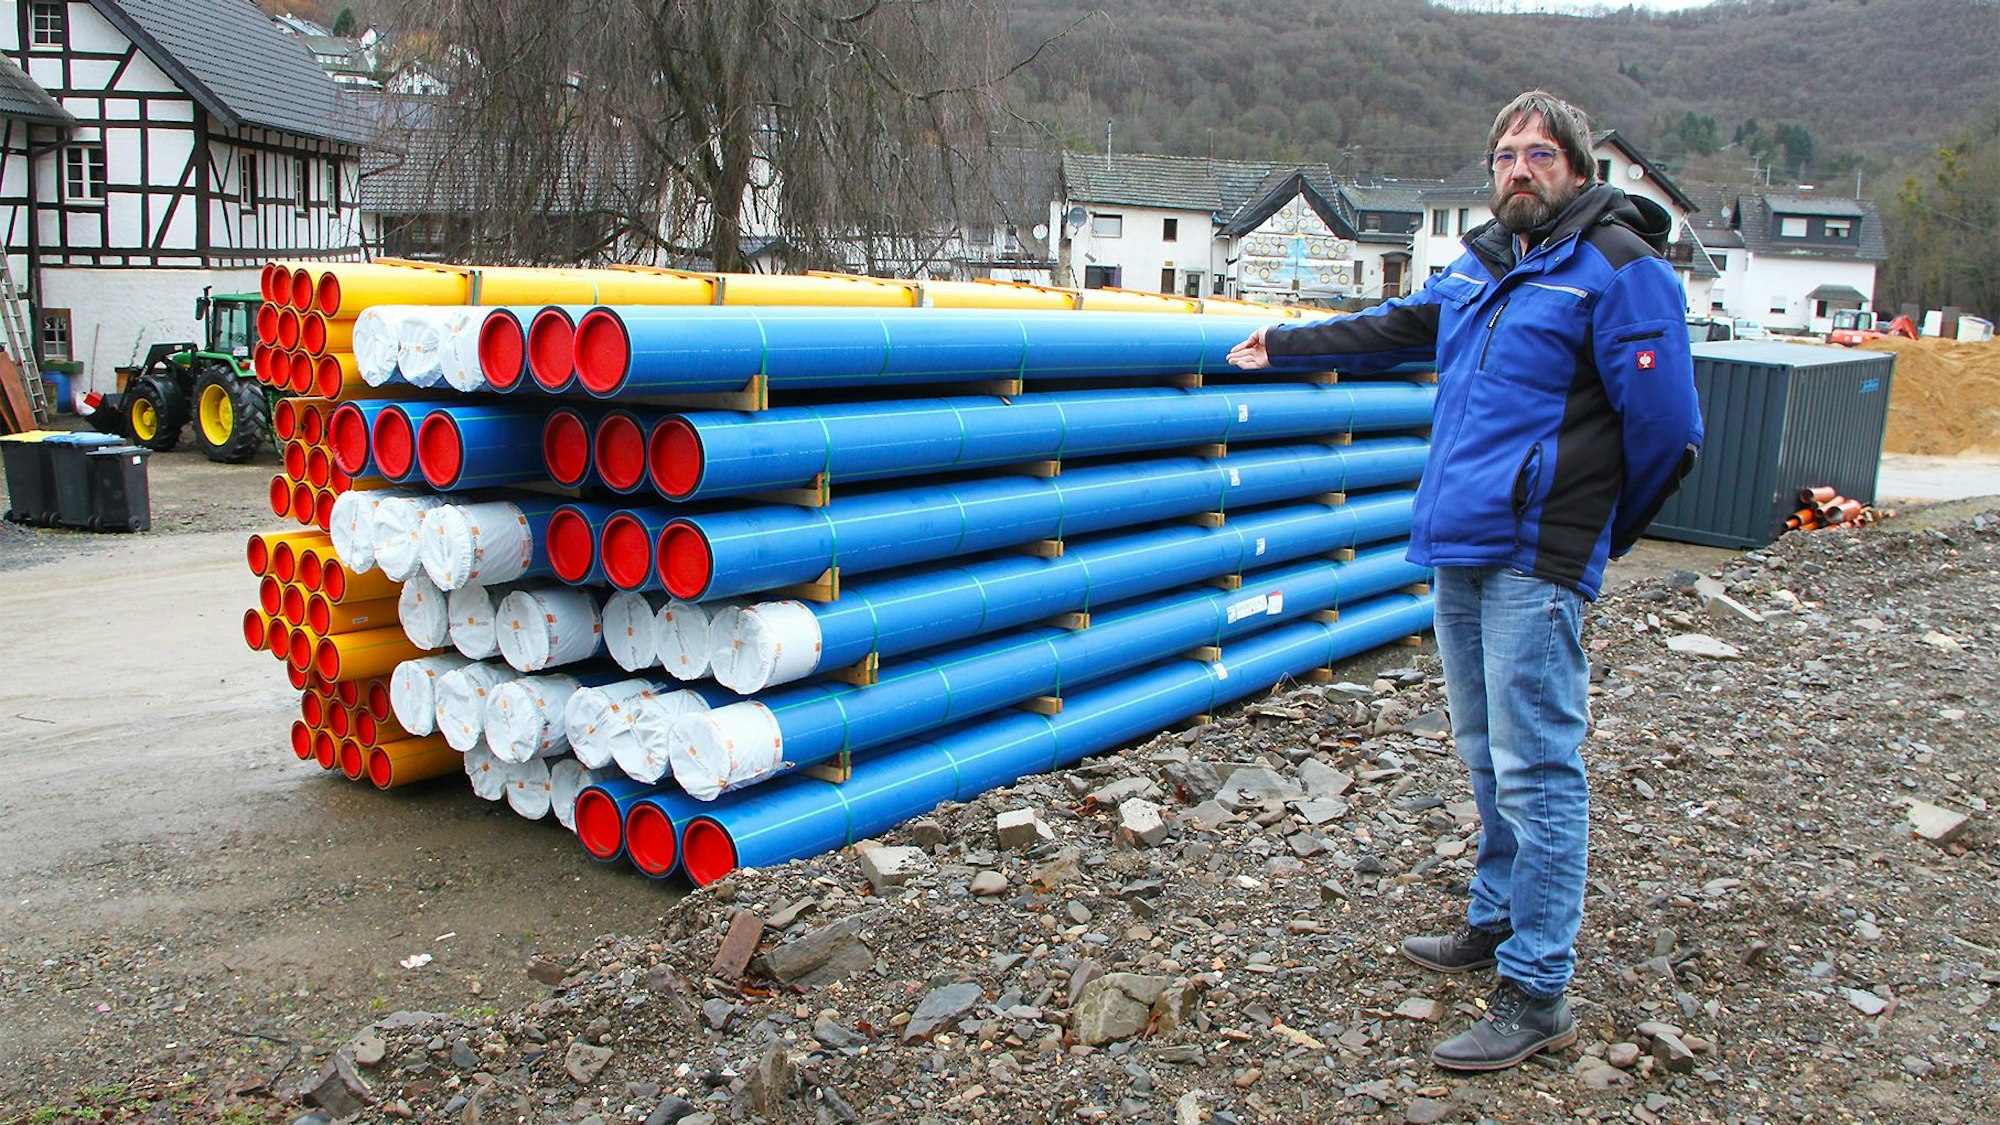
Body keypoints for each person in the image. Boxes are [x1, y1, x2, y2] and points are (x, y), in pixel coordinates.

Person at [1228, 90, 1703, 1071]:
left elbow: (1666, 432)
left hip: (1539, 550)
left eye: (1537, 154)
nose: (1517, 169)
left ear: (1576, 170)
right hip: (1463, 540)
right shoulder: (1485, 266)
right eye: (1502, 156)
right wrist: (1280, 346)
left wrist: (1592, 532)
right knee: (1485, 750)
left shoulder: (1618, 270)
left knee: (1537, 767)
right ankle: (1493, 917)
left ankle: (1537, 987)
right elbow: (1390, 328)